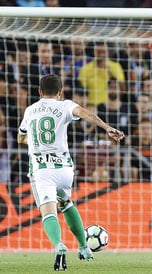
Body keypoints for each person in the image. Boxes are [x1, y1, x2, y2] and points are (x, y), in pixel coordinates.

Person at [17, 74, 125, 270]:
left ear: (40, 92)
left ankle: (59, 245)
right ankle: (84, 247)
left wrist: (32, 141)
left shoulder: (30, 110)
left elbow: (20, 138)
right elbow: (86, 114)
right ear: (60, 92)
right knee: (66, 203)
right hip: (65, 169)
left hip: (42, 169)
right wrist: (107, 128)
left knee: (48, 211)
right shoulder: (65, 105)